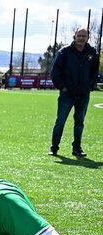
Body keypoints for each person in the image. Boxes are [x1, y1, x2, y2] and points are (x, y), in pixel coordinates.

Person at [49, 27, 99, 157]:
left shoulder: (92, 52)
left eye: (84, 36)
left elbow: (94, 72)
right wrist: (62, 87)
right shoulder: (64, 52)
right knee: (60, 121)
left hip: (83, 94)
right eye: (79, 35)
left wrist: (91, 86)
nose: (81, 38)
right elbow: (55, 71)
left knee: (80, 121)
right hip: (67, 94)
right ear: (74, 36)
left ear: (88, 37)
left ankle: (77, 148)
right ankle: (54, 148)